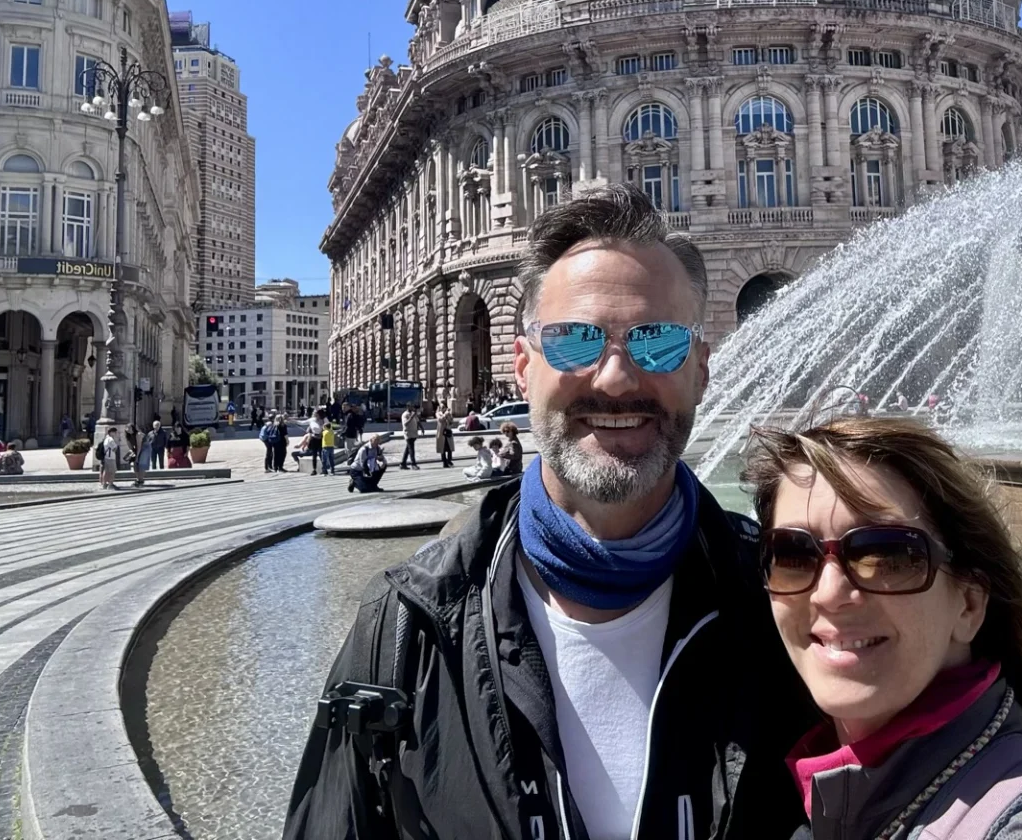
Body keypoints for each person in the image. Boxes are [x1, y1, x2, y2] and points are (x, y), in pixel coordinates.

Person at [285, 185, 810, 840]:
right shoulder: (407, 627)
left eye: (657, 343)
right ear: (524, 367)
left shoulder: (794, 610)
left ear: (701, 370)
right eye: (573, 343)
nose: (616, 380)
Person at [743, 416, 1022, 840]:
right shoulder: (837, 791)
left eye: (888, 556)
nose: (829, 592)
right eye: (793, 556)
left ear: (968, 604)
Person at [305, 409, 327, 475]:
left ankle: (324, 469)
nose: (315, 414)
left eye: (316, 413)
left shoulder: (323, 419)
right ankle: (314, 470)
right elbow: (302, 423)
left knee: (321, 454)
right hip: (314, 439)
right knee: (314, 455)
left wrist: (322, 433)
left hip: (321, 438)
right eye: (314, 413)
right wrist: (292, 420)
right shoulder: (312, 420)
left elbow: (328, 426)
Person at [398, 404, 420, 470]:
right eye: (411, 407)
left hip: (413, 433)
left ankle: (403, 463)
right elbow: (405, 424)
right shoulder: (405, 414)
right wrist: (411, 417)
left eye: (412, 406)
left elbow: (418, 421)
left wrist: (421, 428)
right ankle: (413, 464)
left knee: (408, 449)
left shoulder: (413, 414)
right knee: (411, 449)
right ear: (407, 407)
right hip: (408, 434)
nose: (412, 408)